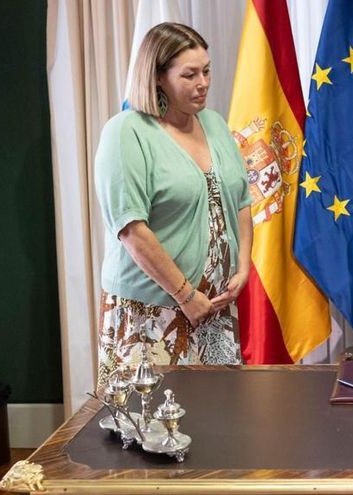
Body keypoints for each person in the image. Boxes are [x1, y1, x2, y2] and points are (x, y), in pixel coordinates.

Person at [94, 22, 253, 388]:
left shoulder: (213, 123)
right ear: (158, 77)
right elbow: (132, 230)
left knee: (218, 421)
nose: (204, 83)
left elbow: (241, 201)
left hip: (214, 307)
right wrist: (186, 295)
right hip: (152, 311)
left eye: (207, 70)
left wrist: (242, 267)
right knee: (147, 429)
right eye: (190, 74)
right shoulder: (126, 132)